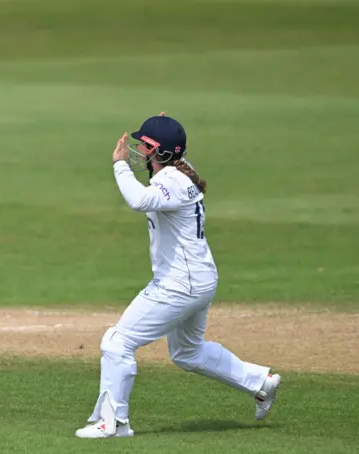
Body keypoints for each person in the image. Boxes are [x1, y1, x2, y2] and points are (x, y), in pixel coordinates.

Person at [75, 113, 281, 439]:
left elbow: (139, 200)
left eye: (147, 146)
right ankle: (260, 382)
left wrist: (118, 165)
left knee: (117, 342)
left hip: (179, 284)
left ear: (164, 153)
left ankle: (113, 424)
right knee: (187, 352)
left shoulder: (171, 179)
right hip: (200, 279)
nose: (140, 151)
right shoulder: (182, 170)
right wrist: (161, 127)